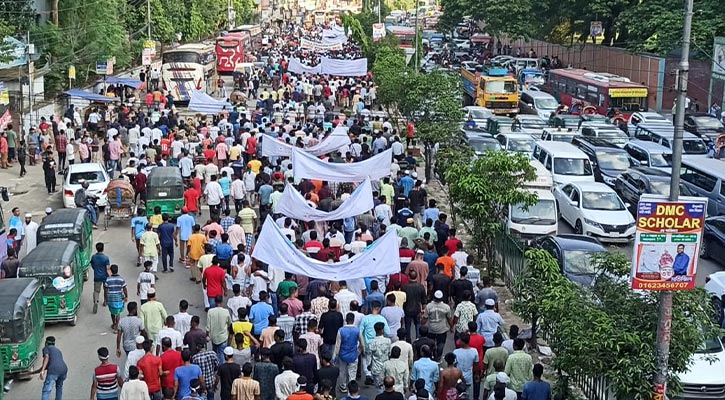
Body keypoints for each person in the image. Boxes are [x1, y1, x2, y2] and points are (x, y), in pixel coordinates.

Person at [424, 290, 452, 359]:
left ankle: (431, 355)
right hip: (442, 329)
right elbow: (449, 319)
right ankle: (438, 357)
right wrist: (451, 327)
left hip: (431, 329)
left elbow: (425, 319)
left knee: (430, 343)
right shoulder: (446, 307)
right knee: (441, 343)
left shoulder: (429, 306)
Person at [453, 333, 479, 400]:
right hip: (468, 377)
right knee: (467, 395)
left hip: (458, 378)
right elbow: (476, 365)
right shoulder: (474, 351)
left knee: (456, 395)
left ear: (463, 342)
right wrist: (476, 374)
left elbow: (454, 366)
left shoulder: (456, 352)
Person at [208, 295, 233, 363]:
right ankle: (220, 370)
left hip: (214, 337)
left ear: (215, 302)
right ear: (222, 302)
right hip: (223, 337)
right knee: (221, 354)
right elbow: (230, 324)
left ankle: (215, 367)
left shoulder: (210, 311)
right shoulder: (226, 311)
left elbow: (208, 326)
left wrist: (207, 335)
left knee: (214, 353)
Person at [104, 264, 128, 332]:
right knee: (118, 313)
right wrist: (126, 296)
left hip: (111, 298)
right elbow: (124, 288)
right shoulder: (121, 279)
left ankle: (114, 323)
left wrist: (105, 298)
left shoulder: (108, 279)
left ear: (111, 271)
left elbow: (105, 289)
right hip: (119, 298)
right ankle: (116, 327)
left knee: (112, 312)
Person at [91, 242, 111, 314]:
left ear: (96, 249)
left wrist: (96, 269)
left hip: (97, 276)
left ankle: (96, 301)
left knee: (96, 291)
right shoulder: (106, 258)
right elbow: (108, 268)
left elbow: (92, 265)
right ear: (103, 249)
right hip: (105, 276)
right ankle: (105, 301)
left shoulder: (93, 257)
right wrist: (111, 276)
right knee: (105, 289)